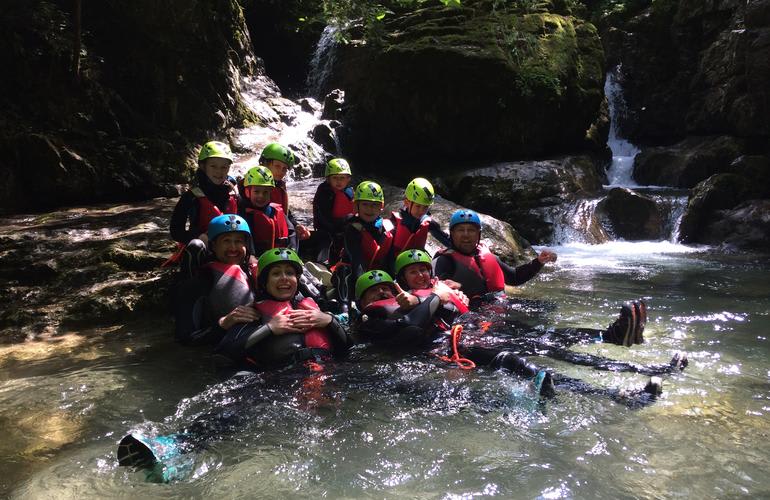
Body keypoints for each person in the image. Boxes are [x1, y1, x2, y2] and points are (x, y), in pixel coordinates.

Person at [353, 269, 683, 404]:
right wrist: (435, 298)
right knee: (520, 363)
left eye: (386, 288)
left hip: (464, 339)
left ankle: (639, 364)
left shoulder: (414, 301)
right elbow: (410, 331)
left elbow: (453, 315)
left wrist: (438, 299)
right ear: (363, 301)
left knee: (546, 342)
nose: (383, 293)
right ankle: (619, 397)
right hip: (445, 353)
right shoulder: (372, 319)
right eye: (375, 291)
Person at [215, 248, 350, 371]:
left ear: (297, 280)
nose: (284, 278)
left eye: (289, 273)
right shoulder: (255, 313)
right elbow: (223, 356)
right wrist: (269, 328)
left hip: (327, 370)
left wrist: (330, 320)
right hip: (284, 380)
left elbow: (348, 348)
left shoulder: (314, 308)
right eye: (276, 273)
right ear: (264, 282)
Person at [433, 209, 557, 304]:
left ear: (478, 234)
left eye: (471, 230)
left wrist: (538, 262)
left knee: (549, 307)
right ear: (452, 234)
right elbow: (435, 290)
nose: (466, 235)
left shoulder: (488, 257)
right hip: (471, 318)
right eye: (460, 230)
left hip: (498, 309)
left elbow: (514, 277)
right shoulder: (443, 261)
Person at [173, 214, 261, 346]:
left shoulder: (257, 271)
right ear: (213, 246)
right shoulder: (200, 282)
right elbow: (185, 338)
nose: (233, 247)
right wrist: (224, 323)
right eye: (226, 241)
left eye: (239, 241)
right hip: (224, 350)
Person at [168, 140, 239, 275]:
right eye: (213, 166)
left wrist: (252, 254)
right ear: (202, 166)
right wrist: (198, 236)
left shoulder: (233, 194)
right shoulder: (191, 196)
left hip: (229, 248)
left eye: (224, 167)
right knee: (196, 245)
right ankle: (190, 283)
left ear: (229, 168)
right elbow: (175, 231)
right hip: (203, 249)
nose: (219, 172)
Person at [331, 180, 395, 306]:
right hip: (354, 274)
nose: (370, 209)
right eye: (365, 204)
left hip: (377, 273)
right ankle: (345, 306)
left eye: (374, 205)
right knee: (344, 271)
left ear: (381, 206)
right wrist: (366, 287)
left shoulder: (388, 227)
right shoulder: (352, 229)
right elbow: (357, 261)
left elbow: (390, 259)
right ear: (356, 206)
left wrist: (393, 281)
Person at [238, 165, 296, 256]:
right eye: (256, 192)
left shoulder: (276, 210)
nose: (261, 196)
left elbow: (291, 232)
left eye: (265, 192)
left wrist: (292, 251)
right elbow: (245, 240)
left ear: (270, 193)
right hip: (256, 259)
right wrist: (251, 257)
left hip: (280, 257)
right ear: (247, 192)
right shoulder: (243, 215)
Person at [259, 143, 311, 241]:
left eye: (284, 169)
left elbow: (285, 212)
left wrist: (296, 225)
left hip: (280, 231)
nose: (281, 171)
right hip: (263, 233)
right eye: (277, 166)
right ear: (264, 163)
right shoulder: (253, 185)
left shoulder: (280, 185)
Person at [390, 177, 451, 255]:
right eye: (418, 206)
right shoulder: (395, 222)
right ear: (406, 202)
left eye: (425, 207)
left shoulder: (428, 223)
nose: (422, 211)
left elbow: (447, 240)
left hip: (417, 262)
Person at [312, 158, 354, 265]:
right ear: (328, 179)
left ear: (348, 179)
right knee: (325, 240)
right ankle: (322, 263)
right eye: (335, 178)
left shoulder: (349, 192)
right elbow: (322, 216)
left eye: (342, 178)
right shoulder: (324, 192)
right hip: (327, 228)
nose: (339, 181)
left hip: (344, 227)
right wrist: (339, 225)